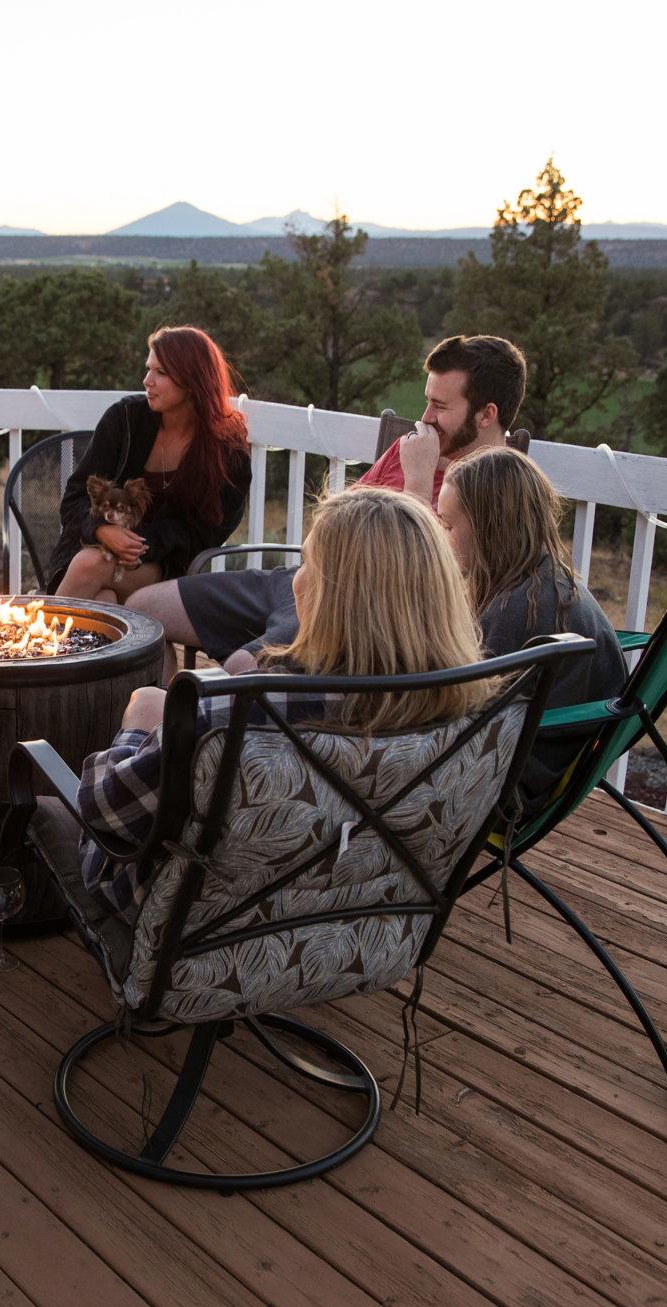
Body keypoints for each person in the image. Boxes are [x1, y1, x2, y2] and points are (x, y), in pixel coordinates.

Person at [77, 485, 493, 921]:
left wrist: (138, 727)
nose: (296, 576)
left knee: (130, 720)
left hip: (208, 923)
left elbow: (106, 811)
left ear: (332, 595)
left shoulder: (247, 709)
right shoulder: (475, 707)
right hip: (366, 922)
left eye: (308, 562)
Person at [129, 334, 527, 674]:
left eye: (440, 407)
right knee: (141, 611)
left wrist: (419, 483)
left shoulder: (495, 491)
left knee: (239, 669)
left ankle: (176, 746)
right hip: (300, 577)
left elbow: (428, 590)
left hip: (346, 605)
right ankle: (154, 732)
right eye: (427, 401)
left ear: (486, 415)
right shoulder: (412, 447)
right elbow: (327, 527)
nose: (423, 418)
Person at [437, 446, 627, 807]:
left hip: (501, 789)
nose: (441, 538)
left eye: (447, 525)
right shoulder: (549, 581)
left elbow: (459, 721)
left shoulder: (519, 610)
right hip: (538, 770)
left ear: (490, 526)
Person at [49, 326, 251, 603]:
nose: (147, 381)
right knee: (104, 598)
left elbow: (208, 532)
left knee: (90, 566)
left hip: (164, 567)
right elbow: (74, 498)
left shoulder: (227, 449)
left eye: (161, 373)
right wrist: (102, 529)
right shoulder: (125, 419)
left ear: (193, 380)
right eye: (148, 369)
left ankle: (47, 644)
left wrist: (136, 542)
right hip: (89, 547)